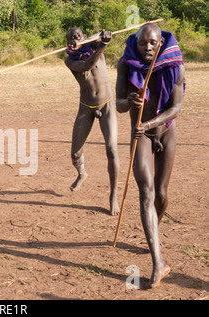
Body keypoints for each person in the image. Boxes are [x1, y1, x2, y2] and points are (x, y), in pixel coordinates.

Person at [116, 23, 185, 289]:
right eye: (143, 43)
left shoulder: (174, 65)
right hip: (140, 135)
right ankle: (159, 262)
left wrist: (151, 122)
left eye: (152, 44)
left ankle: (153, 231)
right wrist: (130, 100)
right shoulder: (126, 64)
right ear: (137, 43)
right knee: (146, 193)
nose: (147, 48)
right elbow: (119, 105)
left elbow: (176, 108)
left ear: (160, 44)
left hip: (165, 132)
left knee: (161, 195)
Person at [64, 28, 120, 216]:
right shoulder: (70, 59)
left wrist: (103, 38)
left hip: (107, 106)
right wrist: (102, 45)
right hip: (85, 108)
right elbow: (87, 65)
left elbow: (101, 37)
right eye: (72, 37)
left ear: (84, 37)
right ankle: (82, 173)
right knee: (75, 153)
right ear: (68, 42)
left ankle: (113, 195)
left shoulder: (94, 44)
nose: (76, 38)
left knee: (112, 149)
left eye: (78, 35)